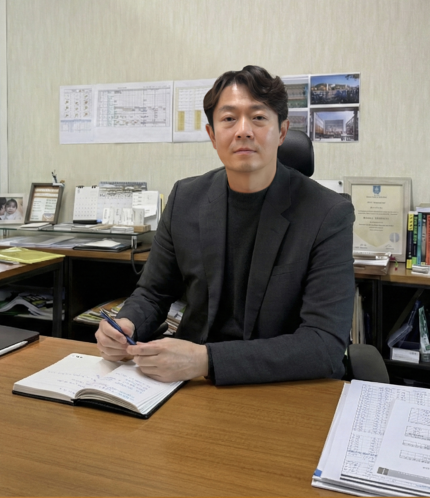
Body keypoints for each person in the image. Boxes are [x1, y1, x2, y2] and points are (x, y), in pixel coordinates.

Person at [95, 65, 355, 386]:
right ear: (212, 135)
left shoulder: (327, 213)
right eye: (229, 118)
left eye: (258, 117)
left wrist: (206, 360)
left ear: (282, 132)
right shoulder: (185, 198)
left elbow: (323, 343)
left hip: (282, 385)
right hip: (191, 385)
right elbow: (153, 292)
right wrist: (127, 325)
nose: (243, 130)